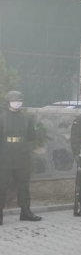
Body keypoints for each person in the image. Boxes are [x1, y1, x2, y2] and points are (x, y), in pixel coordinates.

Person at [0, 91, 42, 225]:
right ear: (8, 102)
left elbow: (32, 136)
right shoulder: (2, 118)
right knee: (2, 186)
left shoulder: (26, 118)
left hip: (22, 155)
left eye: (19, 100)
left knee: (23, 185)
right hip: (5, 156)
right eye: (14, 100)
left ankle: (25, 212)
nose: (17, 103)